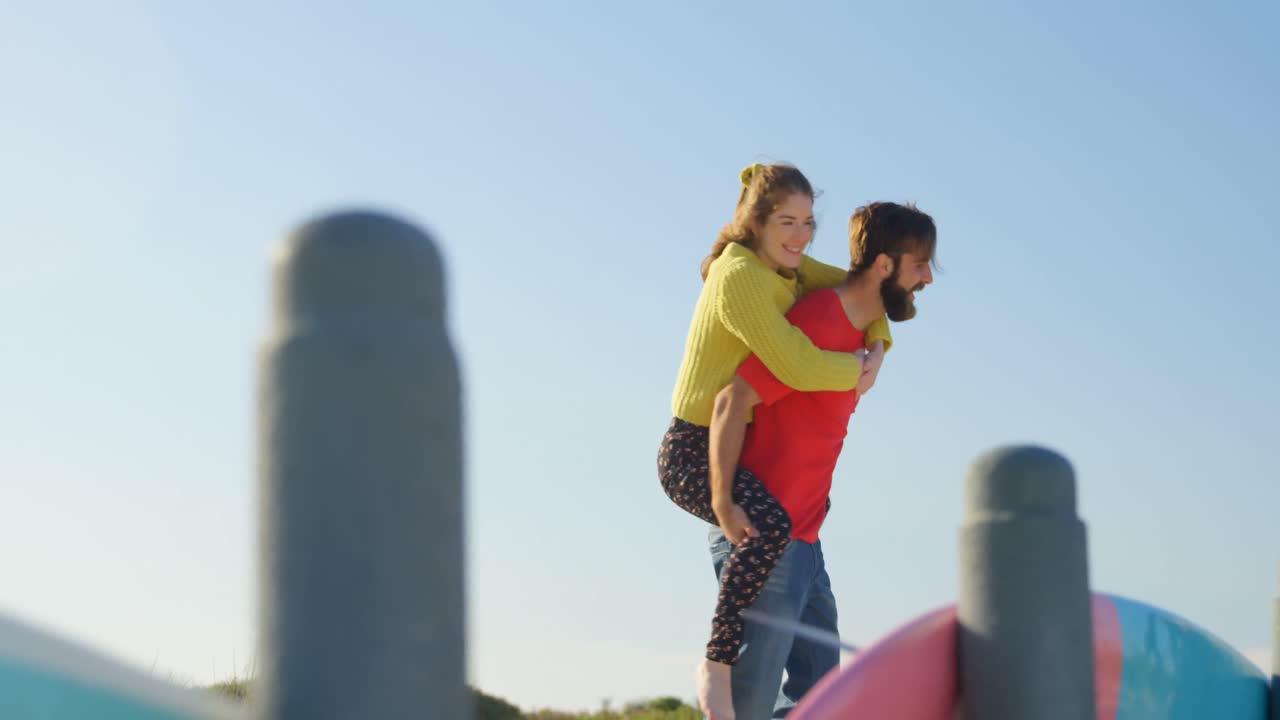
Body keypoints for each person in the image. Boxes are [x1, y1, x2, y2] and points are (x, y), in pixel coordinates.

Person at [657, 163, 893, 717]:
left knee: (814, 649)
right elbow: (790, 360)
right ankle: (715, 662)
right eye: (787, 222)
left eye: (809, 222)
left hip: (736, 446)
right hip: (693, 448)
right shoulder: (737, 274)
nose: (800, 236)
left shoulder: (790, 267)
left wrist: (879, 339)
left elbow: (855, 289)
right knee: (771, 527)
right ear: (757, 221)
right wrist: (857, 367)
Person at [705, 201, 938, 719]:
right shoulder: (816, 320)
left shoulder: (864, 334)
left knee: (819, 699)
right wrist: (723, 504)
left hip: (806, 541)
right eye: (920, 264)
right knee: (749, 705)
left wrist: (880, 340)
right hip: (766, 539)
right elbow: (731, 401)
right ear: (884, 265)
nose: (927, 278)